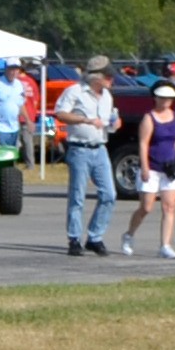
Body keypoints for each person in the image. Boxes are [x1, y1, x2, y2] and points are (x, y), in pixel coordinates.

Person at [55, 55, 119, 257]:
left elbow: (111, 120)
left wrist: (116, 123)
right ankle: (74, 238)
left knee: (109, 194)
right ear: (96, 77)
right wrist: (86, 120)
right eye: (108, 77)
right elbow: (61, 114)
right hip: (79, 149)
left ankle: (95, 237)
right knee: (77, 196)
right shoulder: (75, 92)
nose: (111, 80)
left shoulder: (107, 96)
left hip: (100, 147)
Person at [120, 81, 175, 257]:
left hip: (170, 169)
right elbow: (143, 144)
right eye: (162, 98)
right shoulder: (149, 118)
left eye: (169, 98)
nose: (166, 101)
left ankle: (165, 245)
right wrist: (144, 167)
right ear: (156, 98)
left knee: (169, 206)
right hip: (152, 168)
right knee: (146, 207)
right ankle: (129, 234)